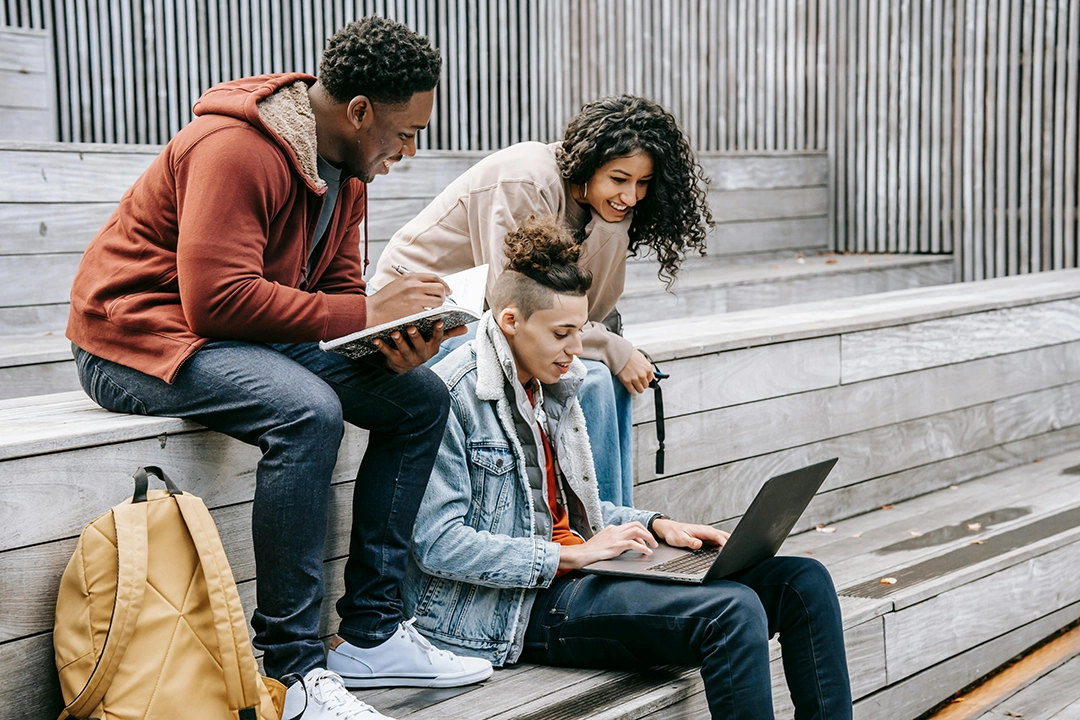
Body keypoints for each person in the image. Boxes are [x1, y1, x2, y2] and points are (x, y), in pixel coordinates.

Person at [66, 17, 491, 720]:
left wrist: (391, 336)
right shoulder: (235, 148)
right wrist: (362, 314)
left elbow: (342, 292)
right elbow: (216, 300)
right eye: (406, 131)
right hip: (134, 338)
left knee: (417, 399)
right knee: (306, 410)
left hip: (243, 335)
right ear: (359, 113)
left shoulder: (348, 170)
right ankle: (293, 672)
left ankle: (373, 637)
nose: (409, 151)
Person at [401, 217, 853, 719]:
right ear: (511, 320)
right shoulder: (451, 393)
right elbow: (437, 543)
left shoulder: (550, 383)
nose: (577, 351)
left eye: (581, 331)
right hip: (516, 609)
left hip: (581, 574)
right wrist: (570, 557)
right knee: (733, 610)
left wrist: (658, 525)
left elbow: (571, 513)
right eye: (562, 333)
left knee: (803, 581)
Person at [370, 95, 715, 507]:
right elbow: (511, 310)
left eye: (642, 183)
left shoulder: (602, 205)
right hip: (425, 321)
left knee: (610, 381)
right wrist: (609, 345)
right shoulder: (527, 182)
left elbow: (592, 309)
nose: (632, 196)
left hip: (494, 321)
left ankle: (615, 527)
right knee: (591, 379)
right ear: (589, 164)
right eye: (620, 179)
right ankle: (594, 542)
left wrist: (610, 228)